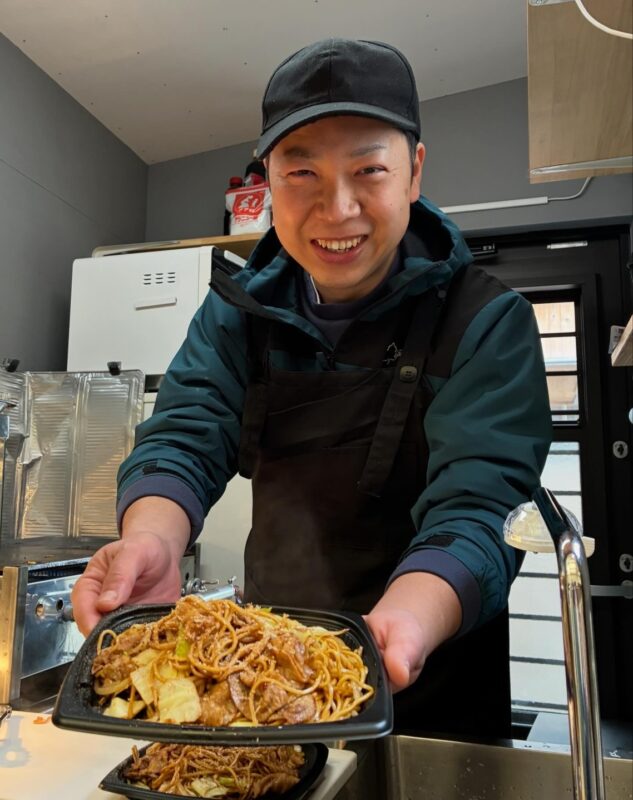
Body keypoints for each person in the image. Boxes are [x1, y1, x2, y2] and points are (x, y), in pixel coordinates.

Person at [72, 38, 551, 738]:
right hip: (266, 677)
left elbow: (481, 503)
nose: (338, 208)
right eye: (302, 173)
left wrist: (403, 625)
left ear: (413, 174)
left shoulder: (485, 321)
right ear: (267, 180)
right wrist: (151, 540)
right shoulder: (236, 311)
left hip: (428, 670)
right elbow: (186, 431)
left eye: (369, 171)